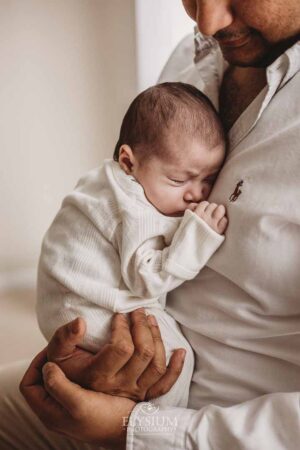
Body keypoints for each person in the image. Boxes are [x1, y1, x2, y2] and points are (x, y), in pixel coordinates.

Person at [1, 0, 300, 448]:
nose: (207, 22)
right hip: (110, 376)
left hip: (209, 428)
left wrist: (137, 428)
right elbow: (134, 207)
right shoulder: (194, 54)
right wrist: (82, 361)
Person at [36, 82, 227, 408]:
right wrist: (198, 236)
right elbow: (147, 279)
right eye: (179, 180)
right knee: (175, 362)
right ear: (128, 161)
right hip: (87, 311)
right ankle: (163, 428)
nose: (196, 194)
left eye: (208, 179)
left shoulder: (105, 181)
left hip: (62, 305)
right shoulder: (134, 208)